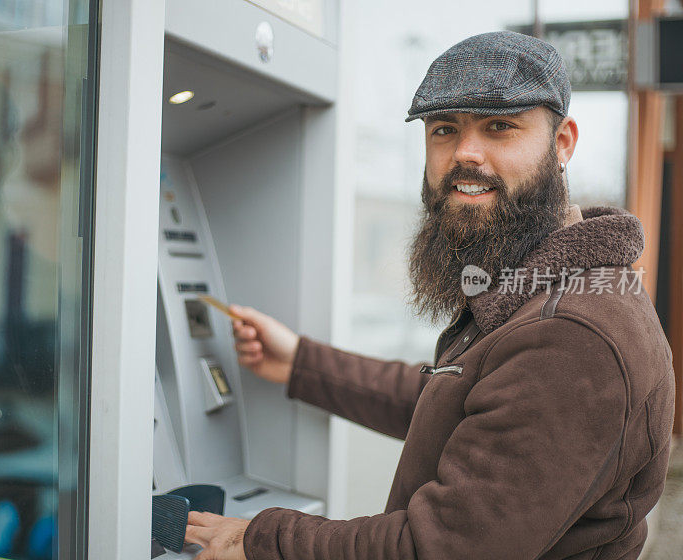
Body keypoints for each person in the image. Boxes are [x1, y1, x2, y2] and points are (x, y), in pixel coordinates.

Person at [184, 31, 675, 560]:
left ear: (562, 143)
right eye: (444, 130)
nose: (465, 153)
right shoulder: (548, 291)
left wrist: (259, 538)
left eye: (500, 126)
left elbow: (437, 548)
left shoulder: (573, 337)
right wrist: (302, 364)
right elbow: (453, 404)